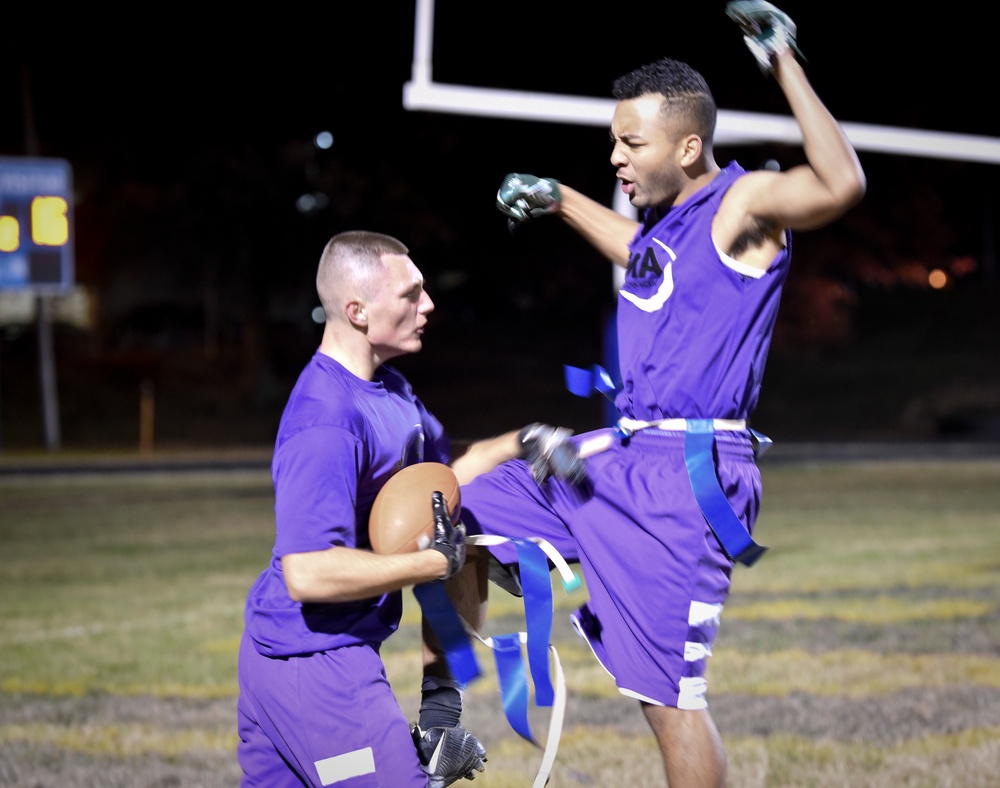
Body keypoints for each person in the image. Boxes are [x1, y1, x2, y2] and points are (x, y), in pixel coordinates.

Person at [458, 3, 867, 786]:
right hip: (621, 457)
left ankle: (555, 569)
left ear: (688, 145)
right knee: (451, 500)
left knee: (668, 701)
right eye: (614, 139)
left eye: (630, 142)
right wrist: (560, 199)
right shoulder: (670, 225)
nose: (615, 154)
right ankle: (446, 711)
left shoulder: (741, 205)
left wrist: (782, 60)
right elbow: (642, 258)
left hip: (688, 478)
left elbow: (841, 182)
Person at [236, 230, 582, 787]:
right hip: (312, 662)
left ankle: (439, 718)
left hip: (314, 655)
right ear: (357, 310)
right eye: (410, 294)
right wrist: (431, 564)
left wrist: (522, 440)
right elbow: (307, 572)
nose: (429, 304)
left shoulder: (391, 392)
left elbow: (444, 486)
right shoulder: (324, 418)